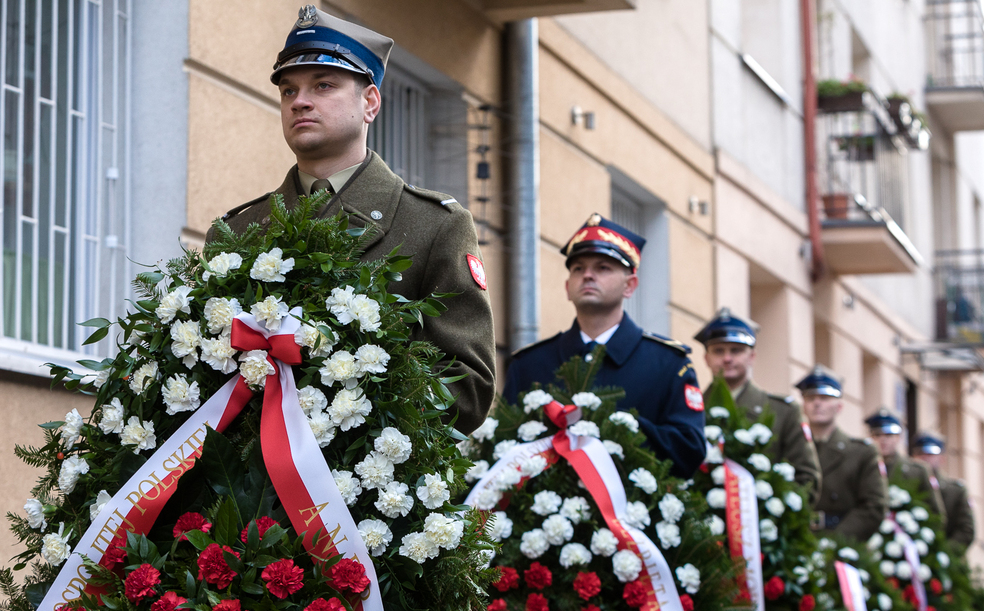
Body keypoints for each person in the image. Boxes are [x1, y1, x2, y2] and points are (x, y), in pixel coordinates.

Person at [206, 6, 495, 435]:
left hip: (363, 485)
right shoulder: (238, 230)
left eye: (323, 85)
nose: (299, 101)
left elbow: (467, 389)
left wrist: (349, 400)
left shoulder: (434, 225)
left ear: (370, 102)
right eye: (288, 90)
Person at [502, 214, 707, 478]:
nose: (587, 275)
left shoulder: (668, 363)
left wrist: (616, 426)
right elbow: (503, 445)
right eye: (578, 268)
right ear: (567, 288)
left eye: (602, 268)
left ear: (630, 285)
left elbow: (689, 449)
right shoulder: (530, 364)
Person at [698, 309, 822, 499]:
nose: (727, 358)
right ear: (706, 358)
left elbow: (807, 479)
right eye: (718, 351)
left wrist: (775, 512)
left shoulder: (782, 411)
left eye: (736, 350)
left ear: (752, 357)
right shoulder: (692, 407)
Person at [795, 365, 887, 541]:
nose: (817, 403)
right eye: (810, 398)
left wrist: (838, 540)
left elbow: (874, 506)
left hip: (842, 543)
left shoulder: (861, 452)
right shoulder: (793, 446)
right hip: (798, 540)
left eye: (825, 397)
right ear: (803, 406)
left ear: (839, 406)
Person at [864, 409, 945, 519]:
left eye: (889, 435)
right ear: (870, 437)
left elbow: (935, 513)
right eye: (877, 435)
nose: (883, 440)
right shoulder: (861, 467)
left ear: (899, 437)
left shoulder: (917, 471)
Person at [912, 432, 975, 553]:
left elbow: (966, 530)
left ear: (942, 458)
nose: (925, 458)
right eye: (920, 454)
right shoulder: (906, 486)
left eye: (930, 454)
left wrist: (943, 552)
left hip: (946, 560)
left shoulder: (956, 490)